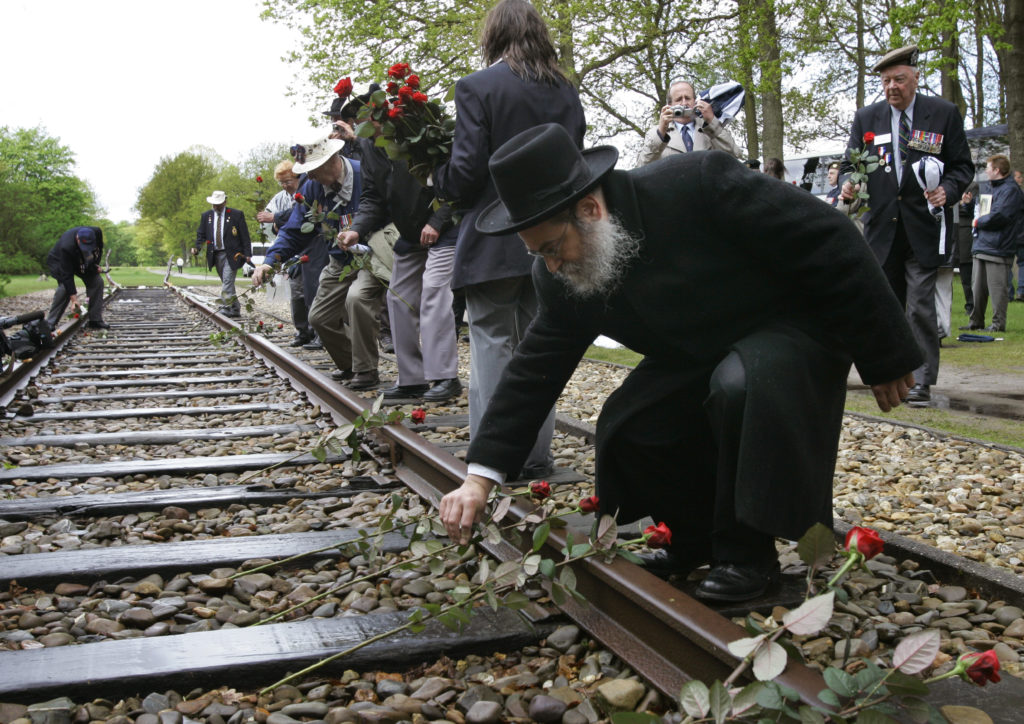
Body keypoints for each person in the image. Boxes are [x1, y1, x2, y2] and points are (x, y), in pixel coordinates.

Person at [439, 123, 921, 603]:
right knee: (631, 424)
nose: (551, 266)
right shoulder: (562, 275)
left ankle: (748, 558)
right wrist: (480, 480)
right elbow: (534, 371)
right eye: (536, 253)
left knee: (742, 383)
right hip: (702, 353)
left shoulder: (698, 183)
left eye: (550, 248)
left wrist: (884, 353)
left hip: (792, 331)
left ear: (590, 209)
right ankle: (694, 543)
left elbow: (829, 237)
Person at [432, 0, 586, 480]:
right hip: (554, 237)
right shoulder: (566, 91)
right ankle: (535, 456)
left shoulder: (477, 87)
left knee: (493, 342)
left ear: (493, 35)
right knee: (538, 347)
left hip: (494, 237)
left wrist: (435, 179)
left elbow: (466, 171)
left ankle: (495, 457)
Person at [840, 45, 973, 403]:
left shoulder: (943, 114)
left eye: (899, 79)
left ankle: (921, 381)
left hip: (924, 229)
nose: (891, 87)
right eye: (885, 81)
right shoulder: (867, 118)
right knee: (887, 307)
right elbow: (850, 164)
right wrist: (848, 184)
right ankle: (891, 373)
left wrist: (947, 189)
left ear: (915, 77)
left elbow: (963, 166)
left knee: (919, 306)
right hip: (882, 229)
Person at [251, 134, 383, 389]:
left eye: (312, 171)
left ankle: (366, 371)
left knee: (357, 299)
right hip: (340, 259)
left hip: (371, 255)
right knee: (319, 317)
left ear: (332, 161)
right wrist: (270, 262)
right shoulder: (312, 188)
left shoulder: (364, 173)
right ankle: (350, 364)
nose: (308, 178)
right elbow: (293, 230)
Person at [339, 132, 460, 403]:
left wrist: (438, 221)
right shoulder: (370, 146)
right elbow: (372, 197)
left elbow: (457, 181)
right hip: (410, 233)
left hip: (445, 228)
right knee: (397, 298)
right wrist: (356, 230)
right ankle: (412, 379)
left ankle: (445, 377)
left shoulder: (419, 130)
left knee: (433, 294)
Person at [256, 160, 318, 347]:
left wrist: (276, 218)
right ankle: (302, 330)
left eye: (288, 181)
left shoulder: (309, 190)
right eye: (281, 183)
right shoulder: (280, 198)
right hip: (293, 252)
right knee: (297, 292)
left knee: (314, 291)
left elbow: (295, 215)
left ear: (297, 177)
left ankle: (318, 333)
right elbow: (277, 228)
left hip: (312, 247)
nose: (285, 186)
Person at [962, 154, 1023, 332]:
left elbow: (1000, 215)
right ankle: (976, 322)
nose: (986, 171)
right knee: (977, 288)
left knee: (998, 289)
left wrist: (978, 222)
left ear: (997, 170)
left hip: (999, 247)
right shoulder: (989, 187)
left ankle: (998, 324)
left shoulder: (1011, 190)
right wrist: (969, 205)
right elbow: (983, 209)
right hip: (981, 244)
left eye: (988, 168)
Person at [638, 78, 742, 165]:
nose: (684, 103)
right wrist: (661, 132)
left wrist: (712, 121)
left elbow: (734, 157)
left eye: (687, 98)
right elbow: (643, 166)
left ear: (695, 101)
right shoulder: (656, 133)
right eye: (679, 99)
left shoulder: (710, 128)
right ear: (670, 105)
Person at [192, 191, 252, 318]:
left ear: (225, 202)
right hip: (215, 254)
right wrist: (197, 248)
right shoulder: (206, 216)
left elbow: (244, 236)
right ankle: (235, 308)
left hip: (233, 254)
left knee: (227, 281)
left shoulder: (236, 215)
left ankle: (224, 307)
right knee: (226, 281)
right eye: (214, 204)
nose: (215, 207)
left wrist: (247, 253)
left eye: (218, 204)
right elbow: (201, 235)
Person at [45, 226, 108, 330]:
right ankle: (50, 323)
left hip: (84, 257)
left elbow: (99, 249)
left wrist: (95, 265)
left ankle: (95, 320)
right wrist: (74, 300)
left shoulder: (97, 232)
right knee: (65, 288)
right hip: (59, 261)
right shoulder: (66, 246)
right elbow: (67, 276)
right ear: (78, 239)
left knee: (97, 281)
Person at [956, 185, 977, 316]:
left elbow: (973, 209)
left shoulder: (973, 186)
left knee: (967, 274)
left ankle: (972, 305)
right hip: (954, 233)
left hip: (965, 234)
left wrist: (960, 204)